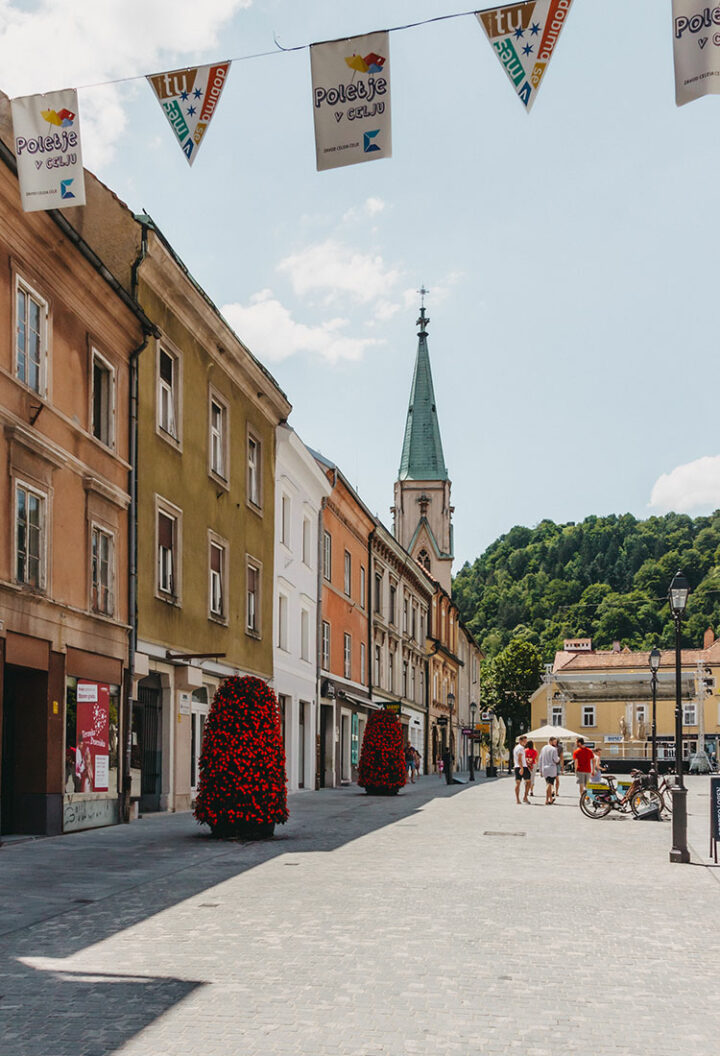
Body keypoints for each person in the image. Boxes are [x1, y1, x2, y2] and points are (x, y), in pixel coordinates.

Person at [538, 736, 561, 804]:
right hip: (551, 768)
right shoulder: (554, 749)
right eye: (554, 742)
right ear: (551, 741)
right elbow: (556, 760)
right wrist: (559, 758)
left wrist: (540, 770)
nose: (555, 743)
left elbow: (540, 759)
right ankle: (546, 800)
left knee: (548, 783)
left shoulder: (543, 748)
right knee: (549, 784)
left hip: (544, 768)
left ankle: (550, 799)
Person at [513, 735, 531, 804]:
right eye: (524, 741)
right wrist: (522, 768)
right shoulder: (521, 748)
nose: (525, 743)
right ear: (520, 741)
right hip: (522, 767)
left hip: (517, 767)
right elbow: (519, 759)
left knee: (518, 783)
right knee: (528, 782)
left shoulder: (516, 748)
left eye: (526, 741)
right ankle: (525, 797)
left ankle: (518, 800)